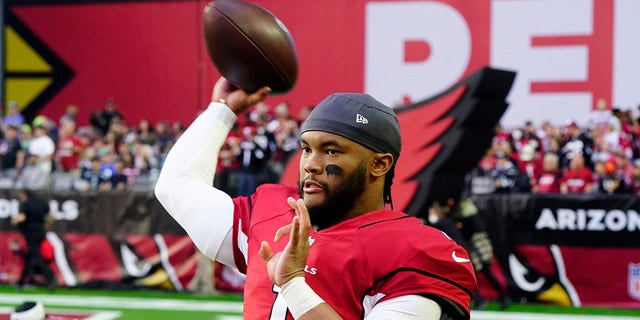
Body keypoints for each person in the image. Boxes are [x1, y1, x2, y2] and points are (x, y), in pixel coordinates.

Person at [155, 78, 477, 320]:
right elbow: (176, 187)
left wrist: (294, 284)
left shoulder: (419, 250)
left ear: (379, 164)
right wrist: (222, 111)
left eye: (331, 150)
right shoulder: (272, 214)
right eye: (307, 148)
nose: (310, 163)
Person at [11, 190, 56, 288]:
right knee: (30, 256)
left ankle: (51, 277)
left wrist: (14, 221)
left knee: (35, 256)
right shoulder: (43, 203)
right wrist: (45, 226)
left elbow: (22, 217)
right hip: (40, 232)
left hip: (30, 233)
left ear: (25, 195)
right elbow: (52, 216)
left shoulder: (25, 204)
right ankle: (21, 281)